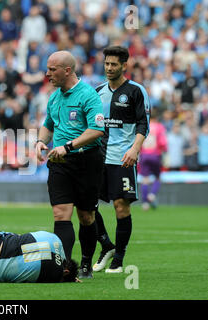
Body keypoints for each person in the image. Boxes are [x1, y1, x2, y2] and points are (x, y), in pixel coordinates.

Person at [35, 51, 105, 279]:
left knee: (86, 216)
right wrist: (39, 141)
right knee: (60, 213)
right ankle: (65, 266)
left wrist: (69, 146)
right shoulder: (54, 98)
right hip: (60, 162)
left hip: (87, 161)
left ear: (67, 70)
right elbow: (48, 125)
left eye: (52, 69)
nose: (47, 74)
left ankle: (85, 262)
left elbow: (96, 130)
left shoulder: (88, 95)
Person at [92, 46, 150, 274]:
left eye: (113, 64)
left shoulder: (136, 91)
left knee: (120, 207)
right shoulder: (97, 91)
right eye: (106, 63)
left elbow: (143, 124)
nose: (109, 68)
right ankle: (106, 245)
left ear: (124, 65)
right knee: (86, 205)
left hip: (122, 157)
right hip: (97, 157)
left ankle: (118, 258)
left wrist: (135, 149)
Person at [139, 109, 167, 210]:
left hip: (144, 155)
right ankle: (152, 195)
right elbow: (163, 143)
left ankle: (145, 204)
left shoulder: (145, 126)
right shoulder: (159, 127)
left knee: (145, 179)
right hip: (155, 155)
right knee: (158, 177)